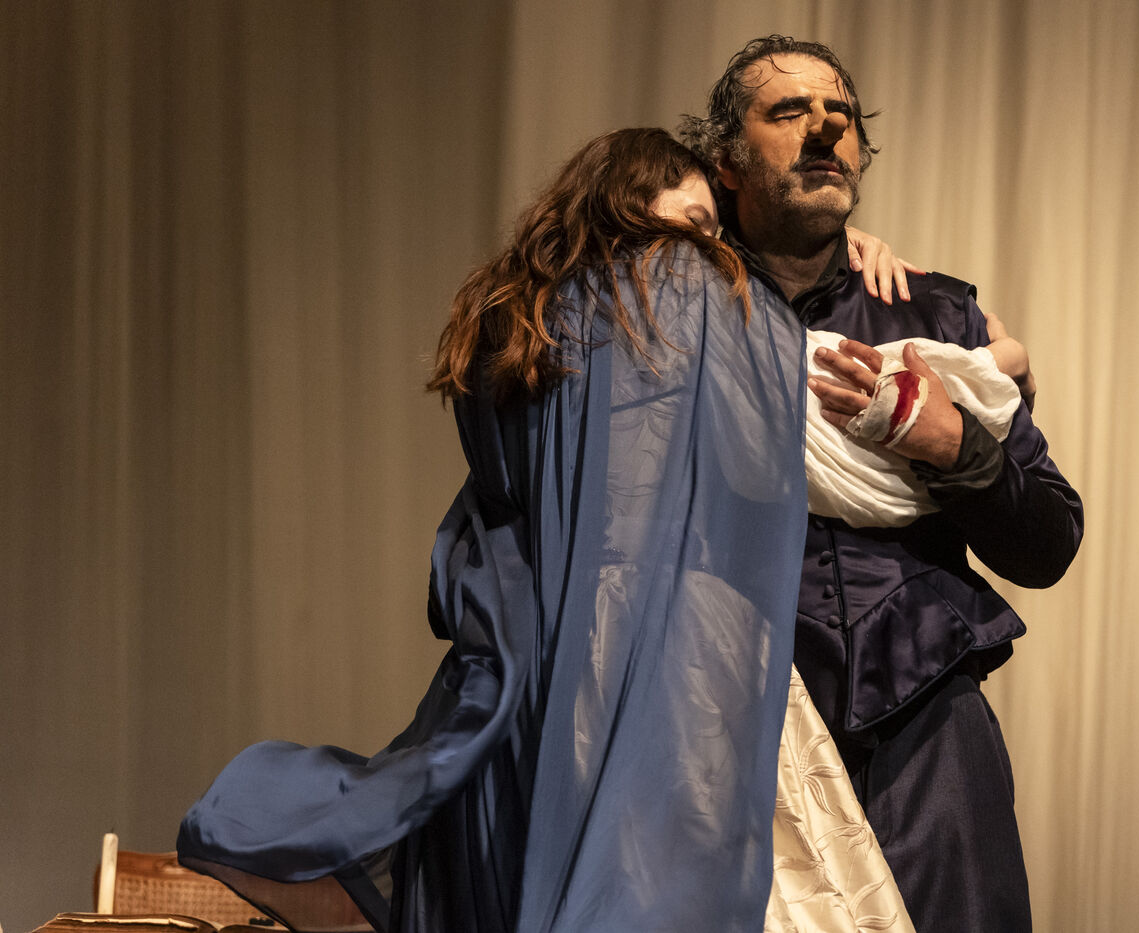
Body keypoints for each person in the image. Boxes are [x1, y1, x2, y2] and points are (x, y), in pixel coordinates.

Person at [178, 127, 919, 933]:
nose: (713, 249)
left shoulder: (518, 311)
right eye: (698, 223)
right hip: (659, 634)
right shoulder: (677, 286)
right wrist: (982, 360)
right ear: (636, 206)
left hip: (534, 638)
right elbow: (783, 426)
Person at [681, 36, 1084, 931]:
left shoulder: (934, 314)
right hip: (733, 728)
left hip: (928, 730)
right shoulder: (677, 318)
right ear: (726, 163)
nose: (826, 128)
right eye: (790, 111)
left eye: (843, 115)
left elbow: (1051, 539)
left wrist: (952, 442)